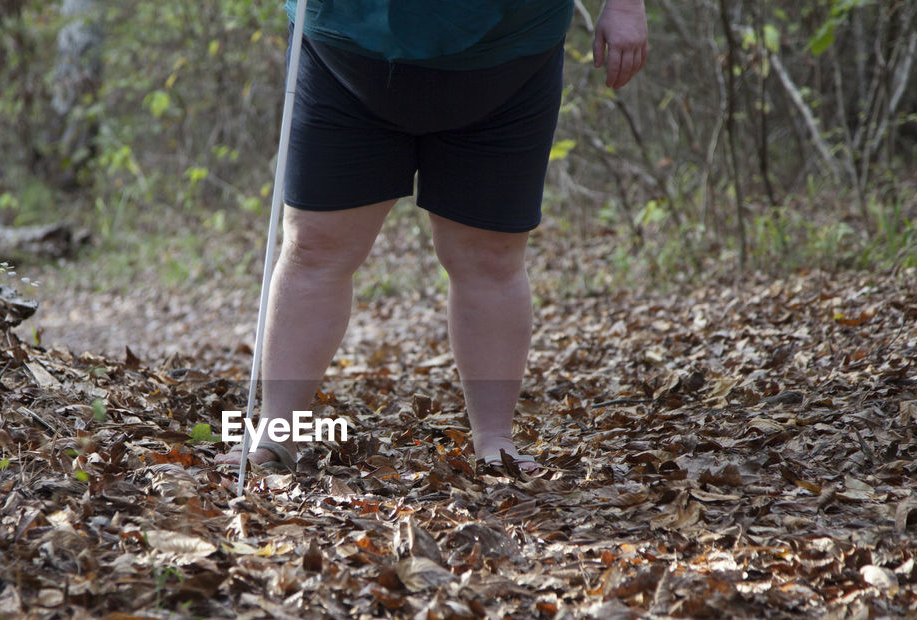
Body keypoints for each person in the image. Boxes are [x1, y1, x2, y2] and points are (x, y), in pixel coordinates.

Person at [221, 0, 648, 473]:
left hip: (510, 54)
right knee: (315, 246)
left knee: (490, 256)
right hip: (343, 49)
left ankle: (494, 444)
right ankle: (277, 434)